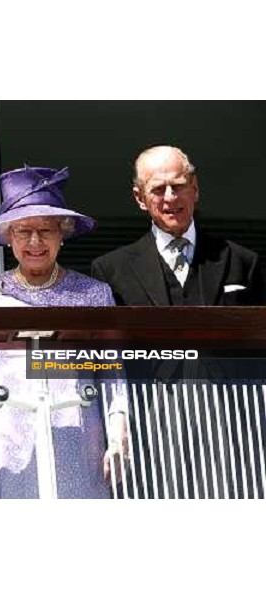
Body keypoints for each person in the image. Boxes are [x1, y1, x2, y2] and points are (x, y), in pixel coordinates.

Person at [91, 145, 265, 498]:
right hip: (150, 419)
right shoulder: (111, 270)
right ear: (140, 198)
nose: (170, 197)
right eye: (158, 189)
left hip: (232, 419)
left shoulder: (242, 262)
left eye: (179, 185)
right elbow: (104, 359)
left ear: (195, 189)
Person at [0, 166, 128, 499]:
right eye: (23, 231)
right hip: (4, 445)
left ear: (63, 233)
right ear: (7, 237)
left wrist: (118, 437)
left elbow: (112, 373)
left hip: (76, 444)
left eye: (45, 229)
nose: (35, 241)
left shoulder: (93, 294)